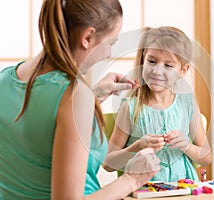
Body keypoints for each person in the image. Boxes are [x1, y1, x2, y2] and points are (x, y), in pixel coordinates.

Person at [0, 0, 160, 199]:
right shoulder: (75, 95)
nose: (109, 53)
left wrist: (93, 97)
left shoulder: (5, 79)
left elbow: (38, 128)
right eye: (111, 42)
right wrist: (132, 179)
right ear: (88, 37)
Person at [103, 26, 212, 182]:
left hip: (184, 190)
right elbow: (108, 164)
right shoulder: (130, 107)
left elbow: (207, 157)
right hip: (144, 191)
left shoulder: (187, 104)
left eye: (168, 65)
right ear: (143, 60)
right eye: (152, 61)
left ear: (183, 70)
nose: (157, 71)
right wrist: (138, 146)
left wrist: (186, 146)